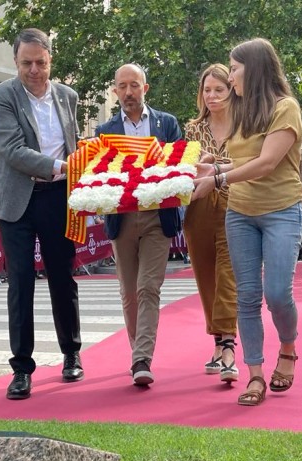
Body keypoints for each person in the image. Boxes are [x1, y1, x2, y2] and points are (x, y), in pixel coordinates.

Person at [192, 38, 302, 406]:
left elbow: (267, 162)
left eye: (235, 68)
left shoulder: (285, 108)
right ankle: (255, 374)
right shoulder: (239, 111)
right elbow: (241, 163)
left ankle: (287, 348)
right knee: (247, 297)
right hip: (240, 213)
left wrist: (217, 178)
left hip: (281, 210)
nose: (231, 74)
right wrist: (212, 167)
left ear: (253, 69)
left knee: (276, 293)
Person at [0, 28, 83, 400]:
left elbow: (74, 143)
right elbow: (11, 150)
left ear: (50, 60)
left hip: (59, 198)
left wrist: (77, 170)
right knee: (21, 282)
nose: (34, 70)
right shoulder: (1, 96)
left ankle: (71, 353)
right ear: (15, 62)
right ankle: (21, 368)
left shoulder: (68, 96)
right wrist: (64, 165)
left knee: (63, 277)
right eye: (26, 63)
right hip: (16, 201)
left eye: (40, 63)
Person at [96, 63, 183, 386]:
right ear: (115, 91)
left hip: (157, 218)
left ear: (145, 88)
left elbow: (179, 169)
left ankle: (141, 358)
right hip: (121, 218)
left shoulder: (168, 124)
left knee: (149, 288)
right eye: (122, 86)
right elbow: (101, 176)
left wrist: (165, 162)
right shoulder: (103, 131)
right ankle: (138, 352)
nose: (129, 92)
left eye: (135, 85)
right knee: (129, 292)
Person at [183, 64, 238, 383]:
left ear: (231, 91)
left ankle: (229, 346)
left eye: (219, 89)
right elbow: (186, 167)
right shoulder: (192, 128)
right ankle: (217, 344)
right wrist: (194, 164)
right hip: (200, 206)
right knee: (206, 278)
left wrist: (212, 163)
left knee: (228, 276)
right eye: (207, 90)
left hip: (235, 204)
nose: (213, 96)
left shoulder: (245, 125)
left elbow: (250, 164)